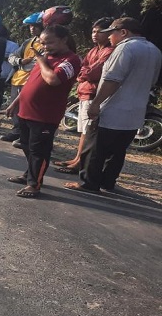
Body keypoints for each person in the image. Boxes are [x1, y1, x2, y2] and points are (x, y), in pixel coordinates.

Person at [64, 17, 162, 193]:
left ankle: (89, 183)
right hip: (136, 111)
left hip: (114, 109)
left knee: (95, 148)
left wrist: (96, 103)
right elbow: (153, 80)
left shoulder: (125, 48)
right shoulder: (154, 50)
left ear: (123, 32)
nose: (109, 38)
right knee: (117, 151)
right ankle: (108, 182)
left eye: (111, 34)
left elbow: (112, 80)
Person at [5, 25, 82, 198]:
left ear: (64, 40)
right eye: (42, 42)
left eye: (49, 42)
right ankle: (28, 174)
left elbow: (53, 80)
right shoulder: (46, 57)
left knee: (39, 151)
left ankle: (34, 184)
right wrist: (15, 103)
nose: (45, 46)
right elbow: (30, 84)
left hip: (45, 115)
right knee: (26, 145)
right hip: (25, 111)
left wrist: (40, 60)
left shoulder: (71, 60)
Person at [53, 17, 115, 174]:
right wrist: (83, 74)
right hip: (84, 92)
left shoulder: (109, 51)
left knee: (88, 131)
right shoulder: (94, 50)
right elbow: (83, 68)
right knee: (83, 130)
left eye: (99, 31)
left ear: (108, 33)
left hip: (94, 94)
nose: (95, 34)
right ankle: (77, 158)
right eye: (93, 31)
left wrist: (83, 74)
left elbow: (94, 72)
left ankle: (81, 162)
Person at [0, 12, 44, 143]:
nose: (32, 29)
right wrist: (20, 61)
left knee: (28, 109)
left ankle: (26, 136)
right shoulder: (28, 42)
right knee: (16, 109)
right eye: (30, 26)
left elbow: (37, 64)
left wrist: (25, 62)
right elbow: (12, 57)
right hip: (17, 79)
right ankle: (17, 131)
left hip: (31, 81)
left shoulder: (45, 44)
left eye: (35, 26)